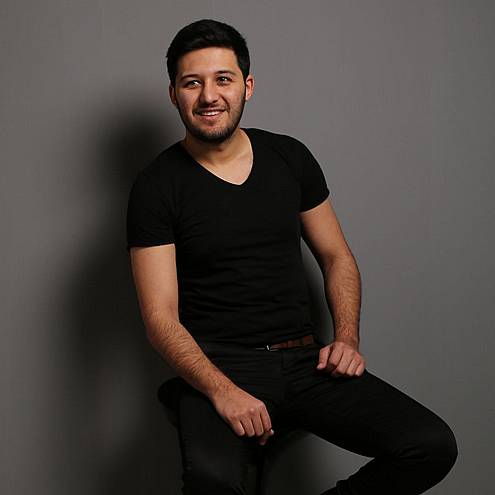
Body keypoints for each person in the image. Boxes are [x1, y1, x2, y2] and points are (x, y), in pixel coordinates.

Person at [126, 18, 458, 495]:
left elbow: (336, 256)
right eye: (192, 83)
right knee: (211, 482)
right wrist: (223, 391)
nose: (209, 96)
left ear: (247, 86)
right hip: (219, 366)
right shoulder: (155, 187)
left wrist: (347, 338)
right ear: (173, 94)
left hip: (304, 362)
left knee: (430, 445)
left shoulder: (289, 157)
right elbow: (160, 317)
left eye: (223, 79)